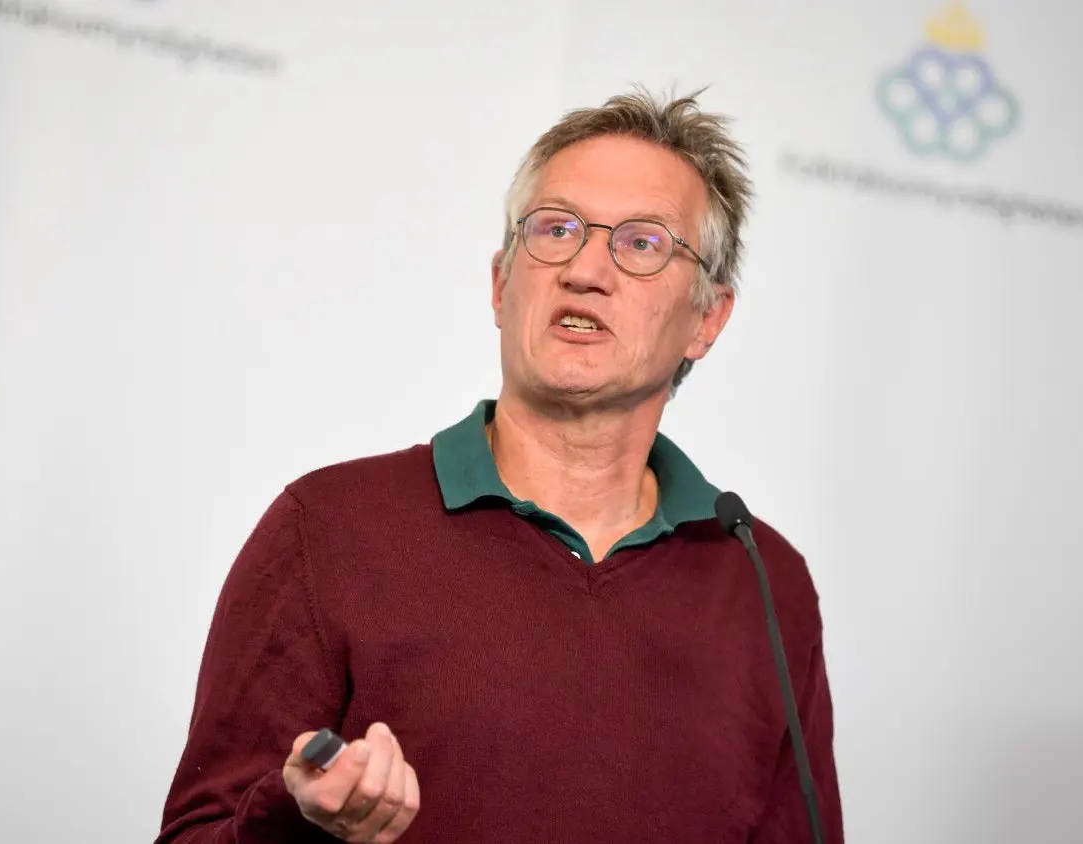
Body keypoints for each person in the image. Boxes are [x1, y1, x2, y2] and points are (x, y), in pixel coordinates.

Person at [153, 88, 842, 844]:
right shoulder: (326, 529)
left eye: (643, 243)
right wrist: (303, 821)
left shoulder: (766, 581)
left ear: (707, 319)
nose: (585, 270)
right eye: (557, 229)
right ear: (500, 285)